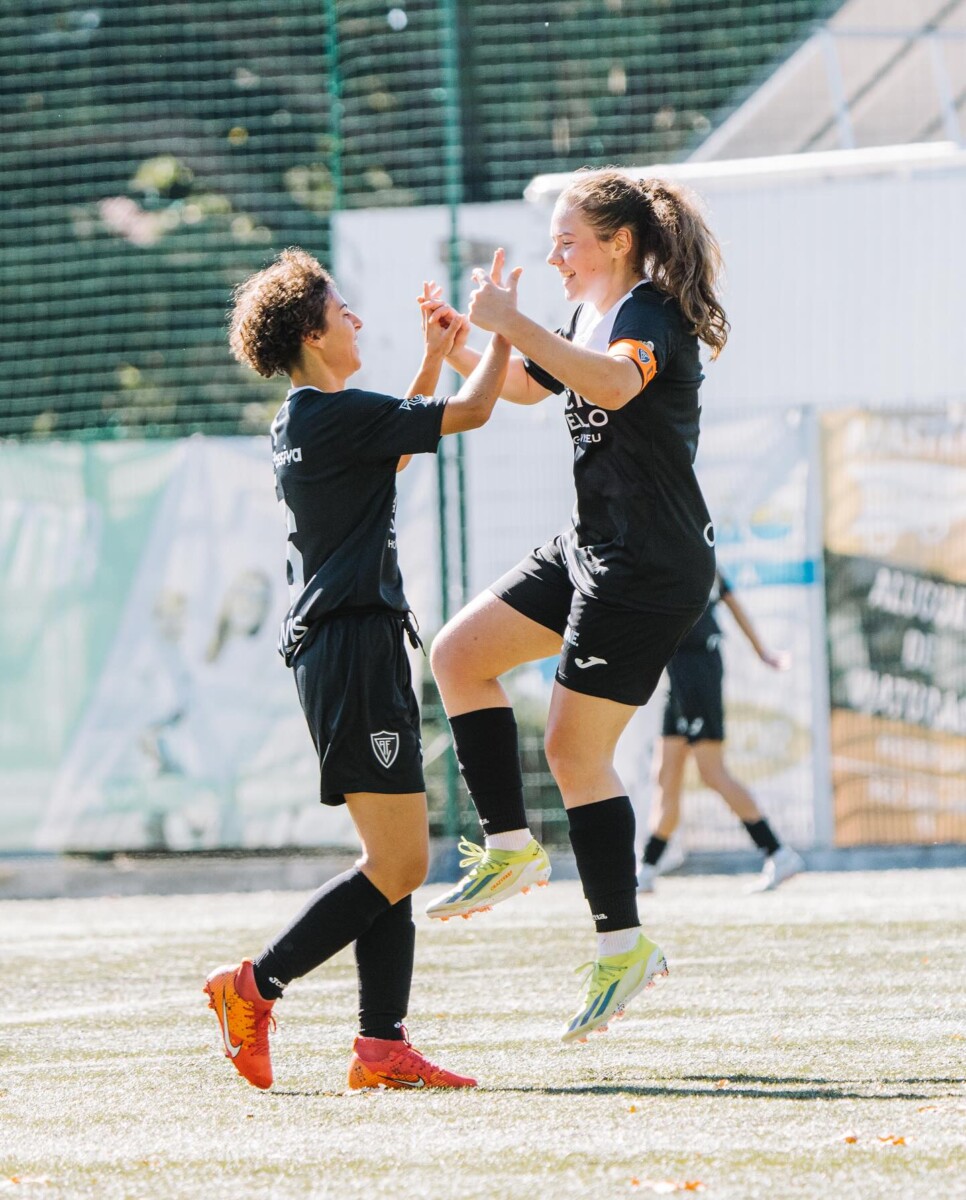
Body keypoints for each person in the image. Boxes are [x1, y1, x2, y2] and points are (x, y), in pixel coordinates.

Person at [421, 170, 729, 1043]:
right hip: (593, 543)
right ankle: (511, 847)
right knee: (458, 656)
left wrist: (510, 323)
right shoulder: (591, 316)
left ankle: (622, 945)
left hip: (649, 564)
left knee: (572, 750)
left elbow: (615, 387)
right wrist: (460, 345)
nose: (553, 255)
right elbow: (536, 384)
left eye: (567, 240)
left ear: (618, 242)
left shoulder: (648, 315)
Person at [203, 247, 512, 1091]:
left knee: (394, 853)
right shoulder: (329, 419)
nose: (356, 321)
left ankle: (382, 1047)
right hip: (352, 648)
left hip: (353, 646)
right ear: (311, 331)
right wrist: (502, 331)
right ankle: (252, 986)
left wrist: (427, 357)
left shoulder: (309, 418)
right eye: (344, 312)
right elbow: (477, 409)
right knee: (401, 863)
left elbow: (396, 445)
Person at [638, 571, 805, 894]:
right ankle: (646, 870)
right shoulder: (662, 543)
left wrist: (763, 652)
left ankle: (778, 853)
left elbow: (729, 600)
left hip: (698, 668)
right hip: (678, 673)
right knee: (665, 774)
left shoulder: (690, 547)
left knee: (712, 772)